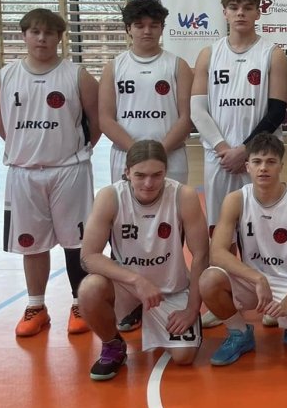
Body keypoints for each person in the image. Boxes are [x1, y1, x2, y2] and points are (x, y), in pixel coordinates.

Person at [0, 8, 100, 338]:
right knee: (31, 243)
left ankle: (80, 303)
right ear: (24, 35)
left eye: (49, 33)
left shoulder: (77, 75)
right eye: (35, 32)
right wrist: (27, 149)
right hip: (23, 172)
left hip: (70, 170)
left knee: (77, 242)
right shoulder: (5, 77)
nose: (41, 38)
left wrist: (73, 151)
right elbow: (0, 122)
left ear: (59, 38)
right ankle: (36, 306)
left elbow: (96, 122)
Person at [190, 0, 287, 328]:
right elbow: (197, 109)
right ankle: (224, 301)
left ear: (259, 12)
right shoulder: (209, 54)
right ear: (225, 12)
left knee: (264, 230)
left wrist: (246, 152)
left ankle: (271, 298)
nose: (241, 13)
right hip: (219, 158)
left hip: (258, 158)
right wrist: (223, 148)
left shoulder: (272, 54)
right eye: (234, 7)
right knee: (221, 231)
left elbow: (276, 110)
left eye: (248, 7)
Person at [99, 0, 194, 334]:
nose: (147, 31)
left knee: (171, 227)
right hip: (127, 159)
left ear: (162, 28)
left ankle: (173, 290)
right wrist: (138, 157)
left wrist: (157, 156)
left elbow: (186, 118)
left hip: (171, 156)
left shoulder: (177, 66)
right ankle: (130, 298)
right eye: (139, 25)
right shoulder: (114, 67)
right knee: (125, 229)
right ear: (128, 29)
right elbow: (106, 119)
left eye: (154, 25)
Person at [77, 140, 208, 380]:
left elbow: (200, 254)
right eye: (140, 175)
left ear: (166, 172)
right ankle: (113, 344)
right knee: (89, 289)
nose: (148, 183)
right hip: (128, 286)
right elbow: (88, 257)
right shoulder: (110, 196)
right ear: (127, 172)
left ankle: (163, 319)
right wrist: (137, 280)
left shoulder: (183, 196)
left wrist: (192, 309)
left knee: (184, 357)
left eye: (156, 175)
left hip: (170, 288)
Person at [199, 134, 287, 364]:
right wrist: (257, 278)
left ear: (281, 166)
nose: (263, 168)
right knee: (209, 280)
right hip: (252, 282)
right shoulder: (236, 200)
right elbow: (217, 253)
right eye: (257, 162)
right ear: (247, 166)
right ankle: (240, 333)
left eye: (270, 162)